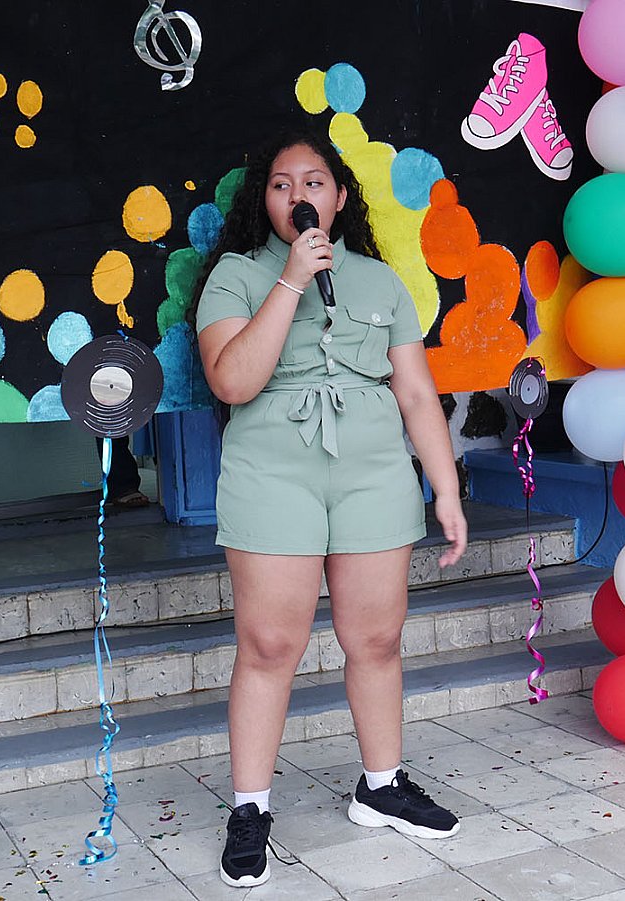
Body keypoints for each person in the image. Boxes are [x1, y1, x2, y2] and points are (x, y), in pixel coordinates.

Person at [193, 130, 469, 887]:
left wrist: (445, 489)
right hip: (272, 474)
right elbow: (232, 382)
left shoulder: (381, 282)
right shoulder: (234, 276)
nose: (299, 195)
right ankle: (250, 809)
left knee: (376, 638)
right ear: (265, 201)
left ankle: (381, 786)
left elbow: (416, 394)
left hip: (372, 473)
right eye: (282, 184)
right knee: (270, 645)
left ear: (340, 198)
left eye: (313, 182)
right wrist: (290, 279)